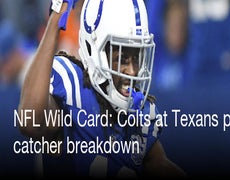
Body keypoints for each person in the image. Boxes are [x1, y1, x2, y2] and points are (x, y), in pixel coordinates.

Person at [17, 0, 186, 178]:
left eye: (137, 57)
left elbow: (158, 164)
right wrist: (55, 20)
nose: (133, 71)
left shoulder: (139, 116)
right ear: (94, 49)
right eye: (122, 58)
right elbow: (30, 123)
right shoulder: (73, 91)